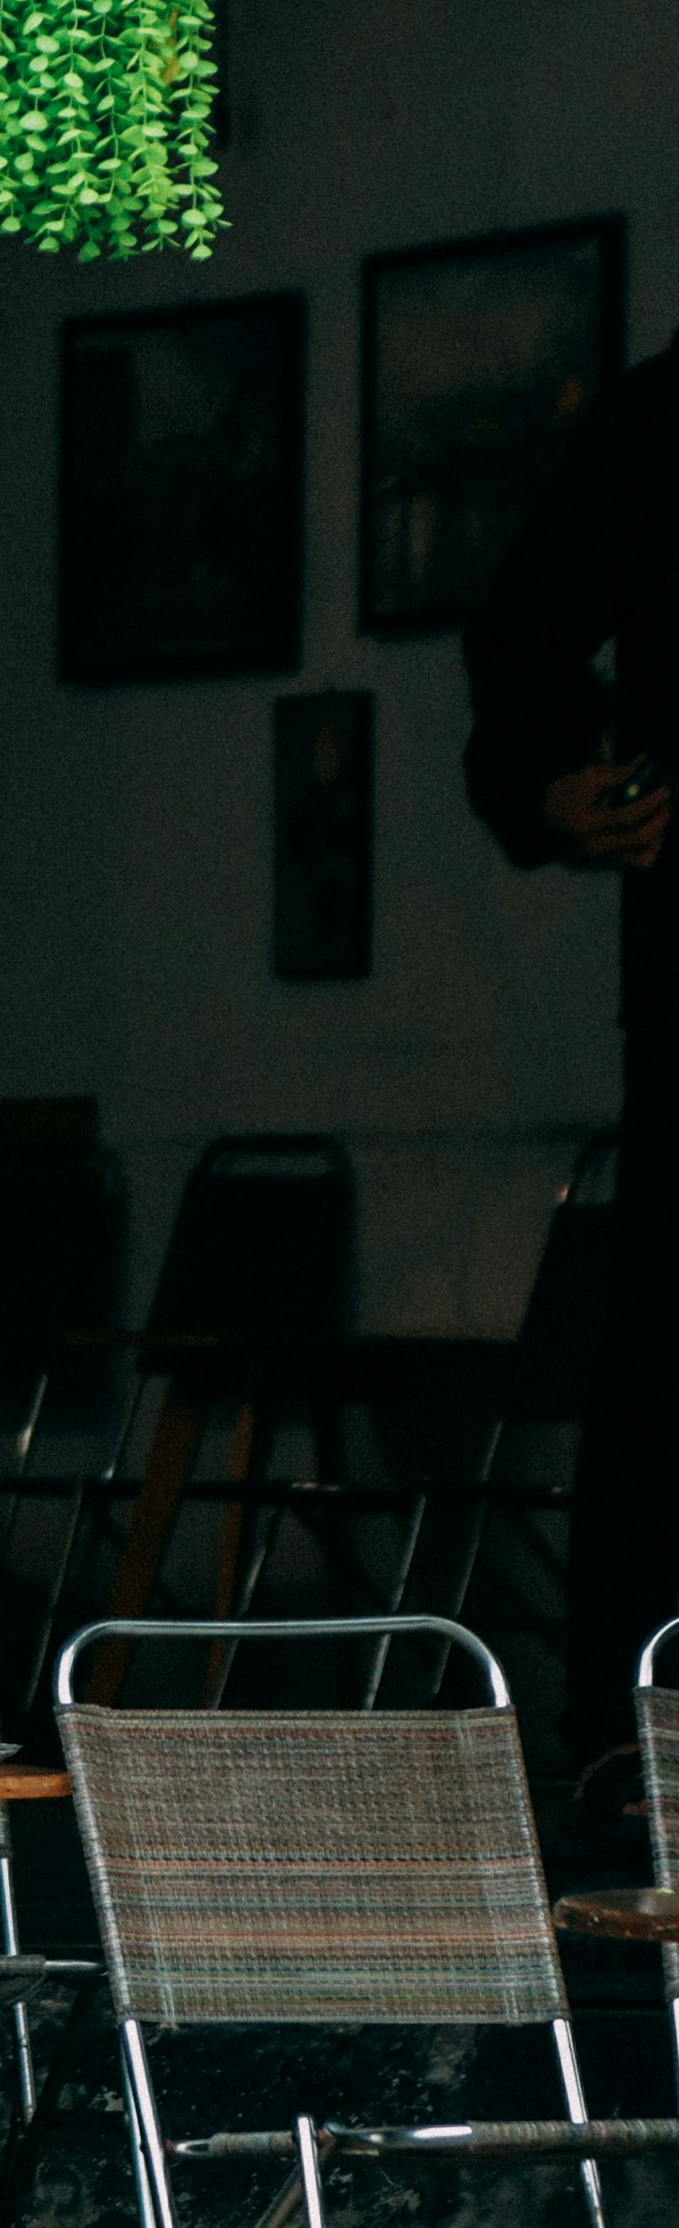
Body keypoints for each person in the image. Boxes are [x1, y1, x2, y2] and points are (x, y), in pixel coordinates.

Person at [459, 363, 679, 1759]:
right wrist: (551, 781)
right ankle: (628, 1771)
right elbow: (521, 634)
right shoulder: (662, 422)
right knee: (664, 1382)